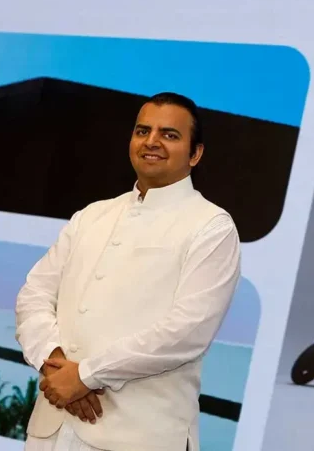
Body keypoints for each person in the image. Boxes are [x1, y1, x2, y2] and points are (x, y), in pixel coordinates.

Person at [15, 92, 241, 451]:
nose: (152, 141)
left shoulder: (211, 226)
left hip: (140, 437)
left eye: (169, 134)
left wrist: (86, 376)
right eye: (142, 131)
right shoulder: (92, 215)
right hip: (52, 428)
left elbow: (187, 332)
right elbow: (34, 295)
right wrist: (54, 363)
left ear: (195, 154)